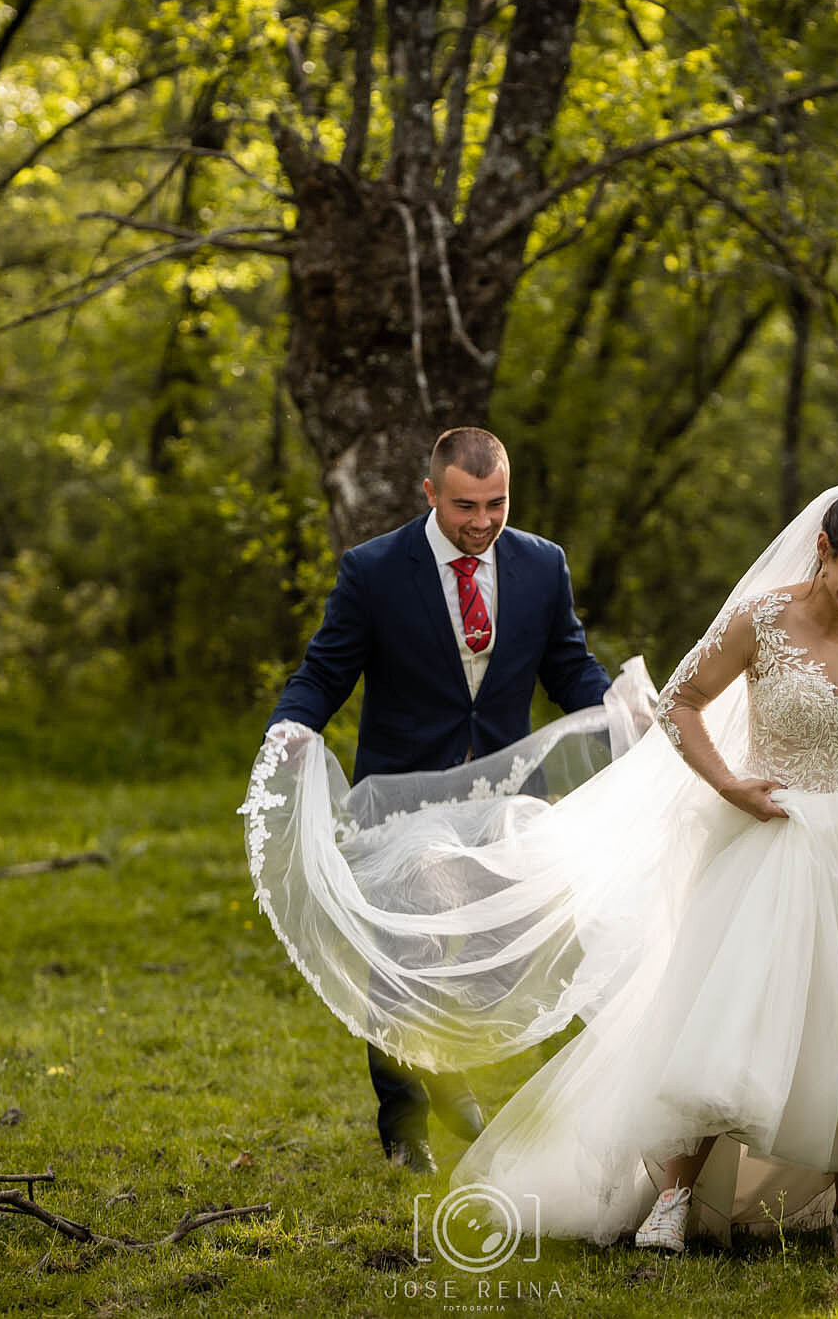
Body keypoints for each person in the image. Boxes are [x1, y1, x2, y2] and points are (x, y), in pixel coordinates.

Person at [243, 472, 838, 1261]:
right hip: (774, 840)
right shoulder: (764, 619)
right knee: (727, 1018)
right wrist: (730, 783)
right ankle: (669, 1195)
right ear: (824, 549)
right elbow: (683, 702)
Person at [262, 426, 615, 1174]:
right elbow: (323, 673)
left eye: (496, 503)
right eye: (465, 506)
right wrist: (292, 728)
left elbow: (569, 666)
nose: (483, 521)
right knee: (409, 947)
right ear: (430, 493)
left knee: (522, 936)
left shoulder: (541, 564)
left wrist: (617, 713)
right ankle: (404, 1123)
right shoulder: (374, 571)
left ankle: (455, 1059)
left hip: (505, 795)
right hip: (407, 796)